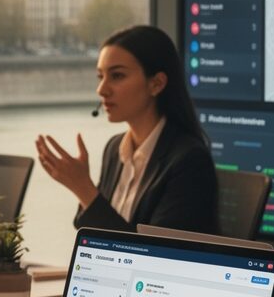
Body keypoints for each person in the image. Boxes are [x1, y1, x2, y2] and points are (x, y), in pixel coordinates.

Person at [35, 25, 218, 234]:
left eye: (117, 76)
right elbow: (94, 231)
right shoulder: (115, 148)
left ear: (156, 84)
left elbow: (153, 256)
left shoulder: (189, 161)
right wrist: (83, 189)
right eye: (100, 76)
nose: (101, 89)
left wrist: (83, 188)